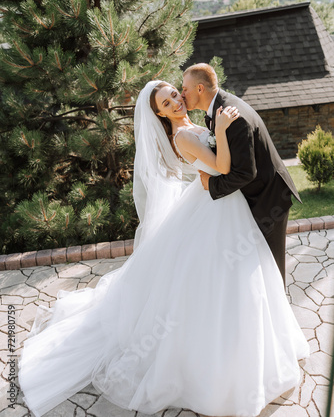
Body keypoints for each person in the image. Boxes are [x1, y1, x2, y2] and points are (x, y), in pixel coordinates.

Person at [18, 80, 309, 417]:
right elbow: (224, 168)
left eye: (173, 93)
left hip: (223, 205)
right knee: (222, 282)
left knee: (247, 279)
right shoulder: (183, 136)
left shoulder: (194, 125)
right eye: (166, 103)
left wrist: (221, 129)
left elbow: (216, 169)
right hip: (216, 209)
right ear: (158, 113)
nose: (174, 101)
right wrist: (226, 129)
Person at [182, 63, 301, 284]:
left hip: (269, 198)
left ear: (200, 89)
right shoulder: (218, 110)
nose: (182, 94)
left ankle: (279, 313)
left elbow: (245, 172)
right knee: (257, 265)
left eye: (184, 88)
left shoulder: (234, 118)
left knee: (271, 265)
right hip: (256, 194)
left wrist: (212, 184)